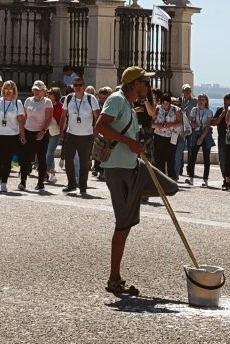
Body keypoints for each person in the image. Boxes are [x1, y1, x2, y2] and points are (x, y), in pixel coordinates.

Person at [97, 66, 152, 297]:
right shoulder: (117, 100)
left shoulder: (128, 105)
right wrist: (129, 144)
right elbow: (100, 126)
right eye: (144, 82)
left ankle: (115, 277)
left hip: (129, 166)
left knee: (126, 223)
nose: (148, 86)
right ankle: (114, 278)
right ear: (133, 83)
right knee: (122, 224)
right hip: (117, 168)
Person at [60, 75, 101, 196]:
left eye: (80, 85)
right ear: (72, 86)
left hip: (86, 135)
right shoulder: (68, 98)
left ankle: (83, 186)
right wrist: (61, 131)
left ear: (84, 86)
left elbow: (97, 116)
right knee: (68, 160)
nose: (78, 87)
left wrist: (96, 131)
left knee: (84, 162)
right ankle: (71, 184)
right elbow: (63, 116)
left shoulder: (91, 98)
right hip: (71, 133)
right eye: (75, 85)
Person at [19, 80, 52, 192]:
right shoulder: (28, 100)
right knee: (25, 157)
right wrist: (22, 132)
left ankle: (40, 182)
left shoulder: (47, 102)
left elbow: (48, 119)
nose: (36, 91)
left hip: (41, 133)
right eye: (34, 89)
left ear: (43, 91)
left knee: (41, 158)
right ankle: (23, 181)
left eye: (38, 90)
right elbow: (24, 117)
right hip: (28, 131)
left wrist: (43, 131)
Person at [152, 93, 183, 178]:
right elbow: (151, 124)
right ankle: (161, 178)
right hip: (159, 136)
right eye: (163, 103)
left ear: (169, 102)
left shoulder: (176, 109)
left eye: (167, 103)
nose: (165, 105)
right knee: (159, 159)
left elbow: (180, 123)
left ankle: (171, 178)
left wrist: (170, 124)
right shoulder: (157, 109)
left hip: (171, 137)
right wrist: (158, 125)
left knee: (170, 159)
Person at [187, 93, 214, 186]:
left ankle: (205, 179)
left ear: (206, 101)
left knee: (206, 157)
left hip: (205, 134)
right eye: (199, 99)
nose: (201, 101)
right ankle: (191, 177)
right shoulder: (194, 110)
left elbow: (208, 126)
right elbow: (190, 120)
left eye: (203, 100)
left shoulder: (209, 112)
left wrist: (202, 137)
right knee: (192, 156)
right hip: (195, 133)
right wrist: (192, 123)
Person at [173, 84, 197, 180]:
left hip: (191, 128)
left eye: (189, 90)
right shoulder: (179, 101)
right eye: (186, 90)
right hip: (180, 129)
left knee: (191, 150)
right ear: (182, 91)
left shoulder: (195, 101)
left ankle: (189, 169)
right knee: (180, 150)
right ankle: (179, 169)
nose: (187, 92)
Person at [211, 93, 230, 182]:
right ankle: (225, 178)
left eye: (229, 104)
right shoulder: (220, 110)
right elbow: (214, 123)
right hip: (222, 137)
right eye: (225, 104)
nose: (227, 106)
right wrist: (222, 115)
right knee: (223, 158)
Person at [45, 87, 63, 184]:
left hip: (55, 132)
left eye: (50, 93)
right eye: (48, 92)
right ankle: (49, 171)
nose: (48, 94)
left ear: (55, 95)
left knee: (50, 152)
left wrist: (61, 131)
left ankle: (50, 171)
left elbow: (62, 120)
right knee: (47, 152)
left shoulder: (60, 106)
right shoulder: (45, 104)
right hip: (45, 131)